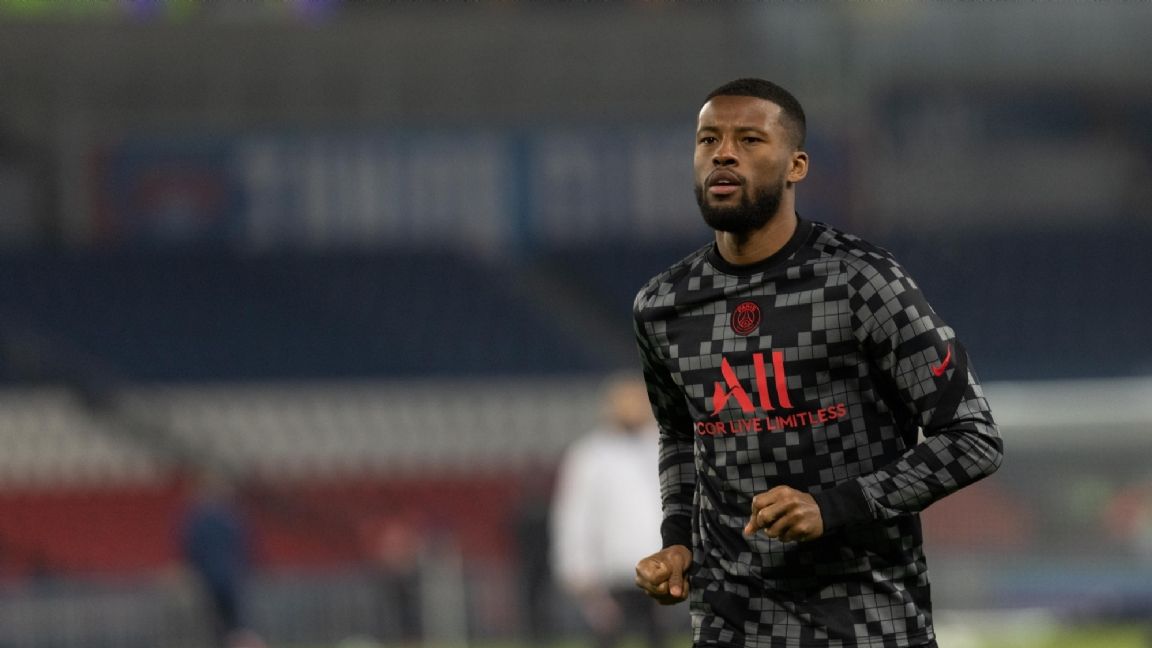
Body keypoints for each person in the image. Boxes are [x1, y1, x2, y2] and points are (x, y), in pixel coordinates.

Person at [631, 78, 1003, 648]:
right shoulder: (663, 305)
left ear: (796, 165)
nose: (723, 153)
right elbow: (682, 434)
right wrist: (677, 539)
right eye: (708, 140)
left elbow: (973, 437)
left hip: (867, 624)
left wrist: (834, 507)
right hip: (731, 626)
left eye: (749, 139)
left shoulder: (859, 280)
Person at [551, 374, 673, 648]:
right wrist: (581, 576)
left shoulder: (662, 448)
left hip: (660, 570)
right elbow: (575, 519)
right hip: (612, 575)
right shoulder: (590, 456)